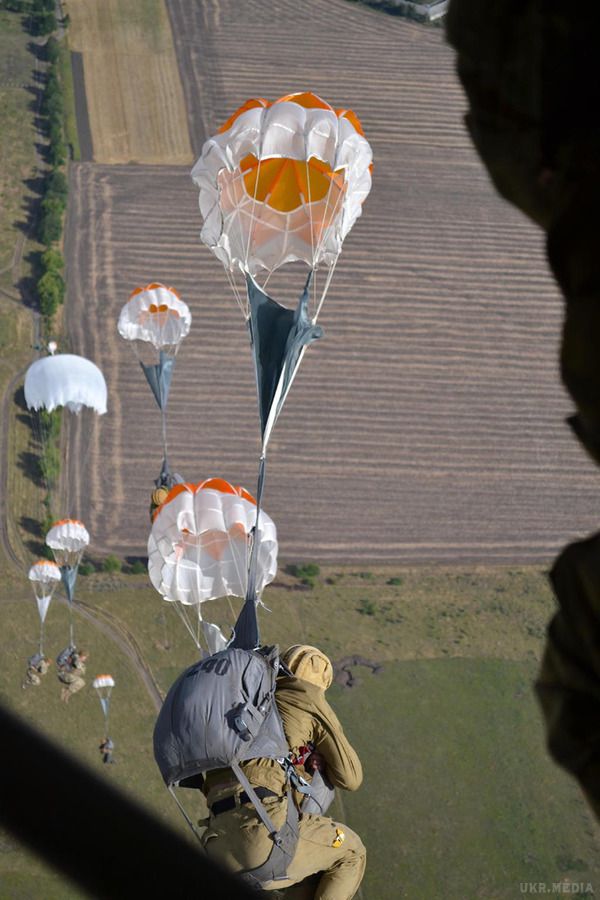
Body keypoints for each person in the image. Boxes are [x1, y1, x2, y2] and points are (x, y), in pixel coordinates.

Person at [200, 645, 366, 899]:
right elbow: (351, 777)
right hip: (261, 836)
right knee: (352, 852)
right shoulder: (308, 698)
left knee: (314, 872)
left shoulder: (245, 703)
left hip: (217, 846)